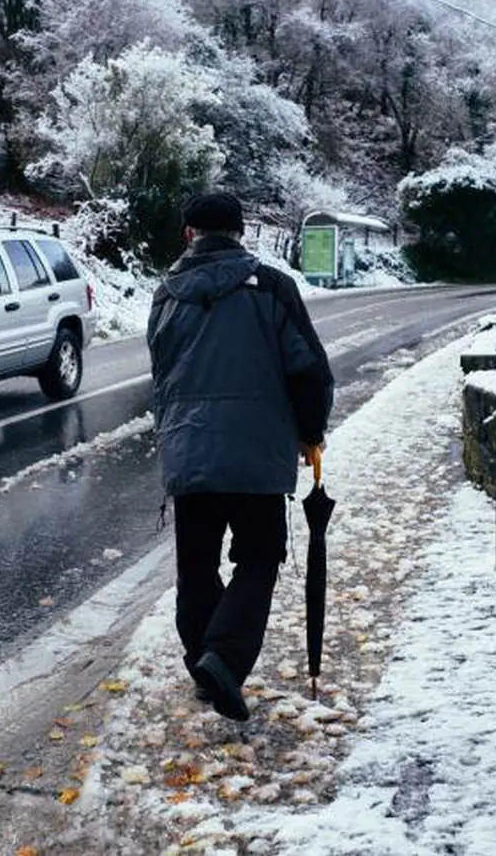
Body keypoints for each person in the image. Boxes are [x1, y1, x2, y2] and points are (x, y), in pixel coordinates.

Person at [147, 191, 334, 721]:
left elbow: (161, 375)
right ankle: (224, 658)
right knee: (259, 556)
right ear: (242, 231)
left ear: (189, 234)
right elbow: (309, 371)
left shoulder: (166, 295)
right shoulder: (273, 287)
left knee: (196, 565)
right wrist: (310, 432)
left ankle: (205, 666)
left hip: (189, 452)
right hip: (257, 453)